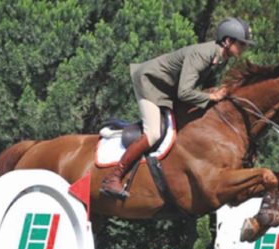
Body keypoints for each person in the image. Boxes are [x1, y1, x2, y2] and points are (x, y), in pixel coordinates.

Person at [99, 17, 255, 200]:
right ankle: (114, 177)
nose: (245, 48)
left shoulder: (220, 57)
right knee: (154, 134)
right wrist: (211, 96)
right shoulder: (203, 54)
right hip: (149, 83)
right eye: (242, 43)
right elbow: (184, 92)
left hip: (167, 89)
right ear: (228, 41)